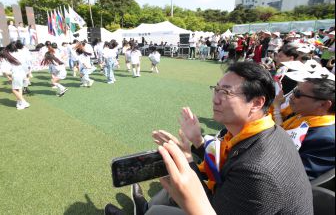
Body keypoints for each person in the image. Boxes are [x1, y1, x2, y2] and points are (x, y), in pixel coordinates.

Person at [106, 62, 313, 215]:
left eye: (226, 92)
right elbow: (222, 168)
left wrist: (187, 158)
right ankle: (143, 208)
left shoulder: (257, 170)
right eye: (216, 89)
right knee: (165, 194)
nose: (215, 98)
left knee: (159, 211)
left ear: (257, 103)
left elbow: (210, 206)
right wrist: (197, 141)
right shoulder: (256, 132)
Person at [273, 77, 335, 180]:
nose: (291, 97)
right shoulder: (304, 115)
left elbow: (291, 176)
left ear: (323, 104)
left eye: (298, 94)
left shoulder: (327, 140)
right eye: (294, 91)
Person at [0, 42, 30, 110]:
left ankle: (24, 102)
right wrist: (27, 74)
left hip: (16, 74)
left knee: (14, 90)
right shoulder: (18, 53)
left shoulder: (7, 57)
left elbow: (5, 71)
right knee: (19, 88)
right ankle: (20, 102)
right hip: (22, 73)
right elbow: (25, 64)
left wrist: (9, 77)